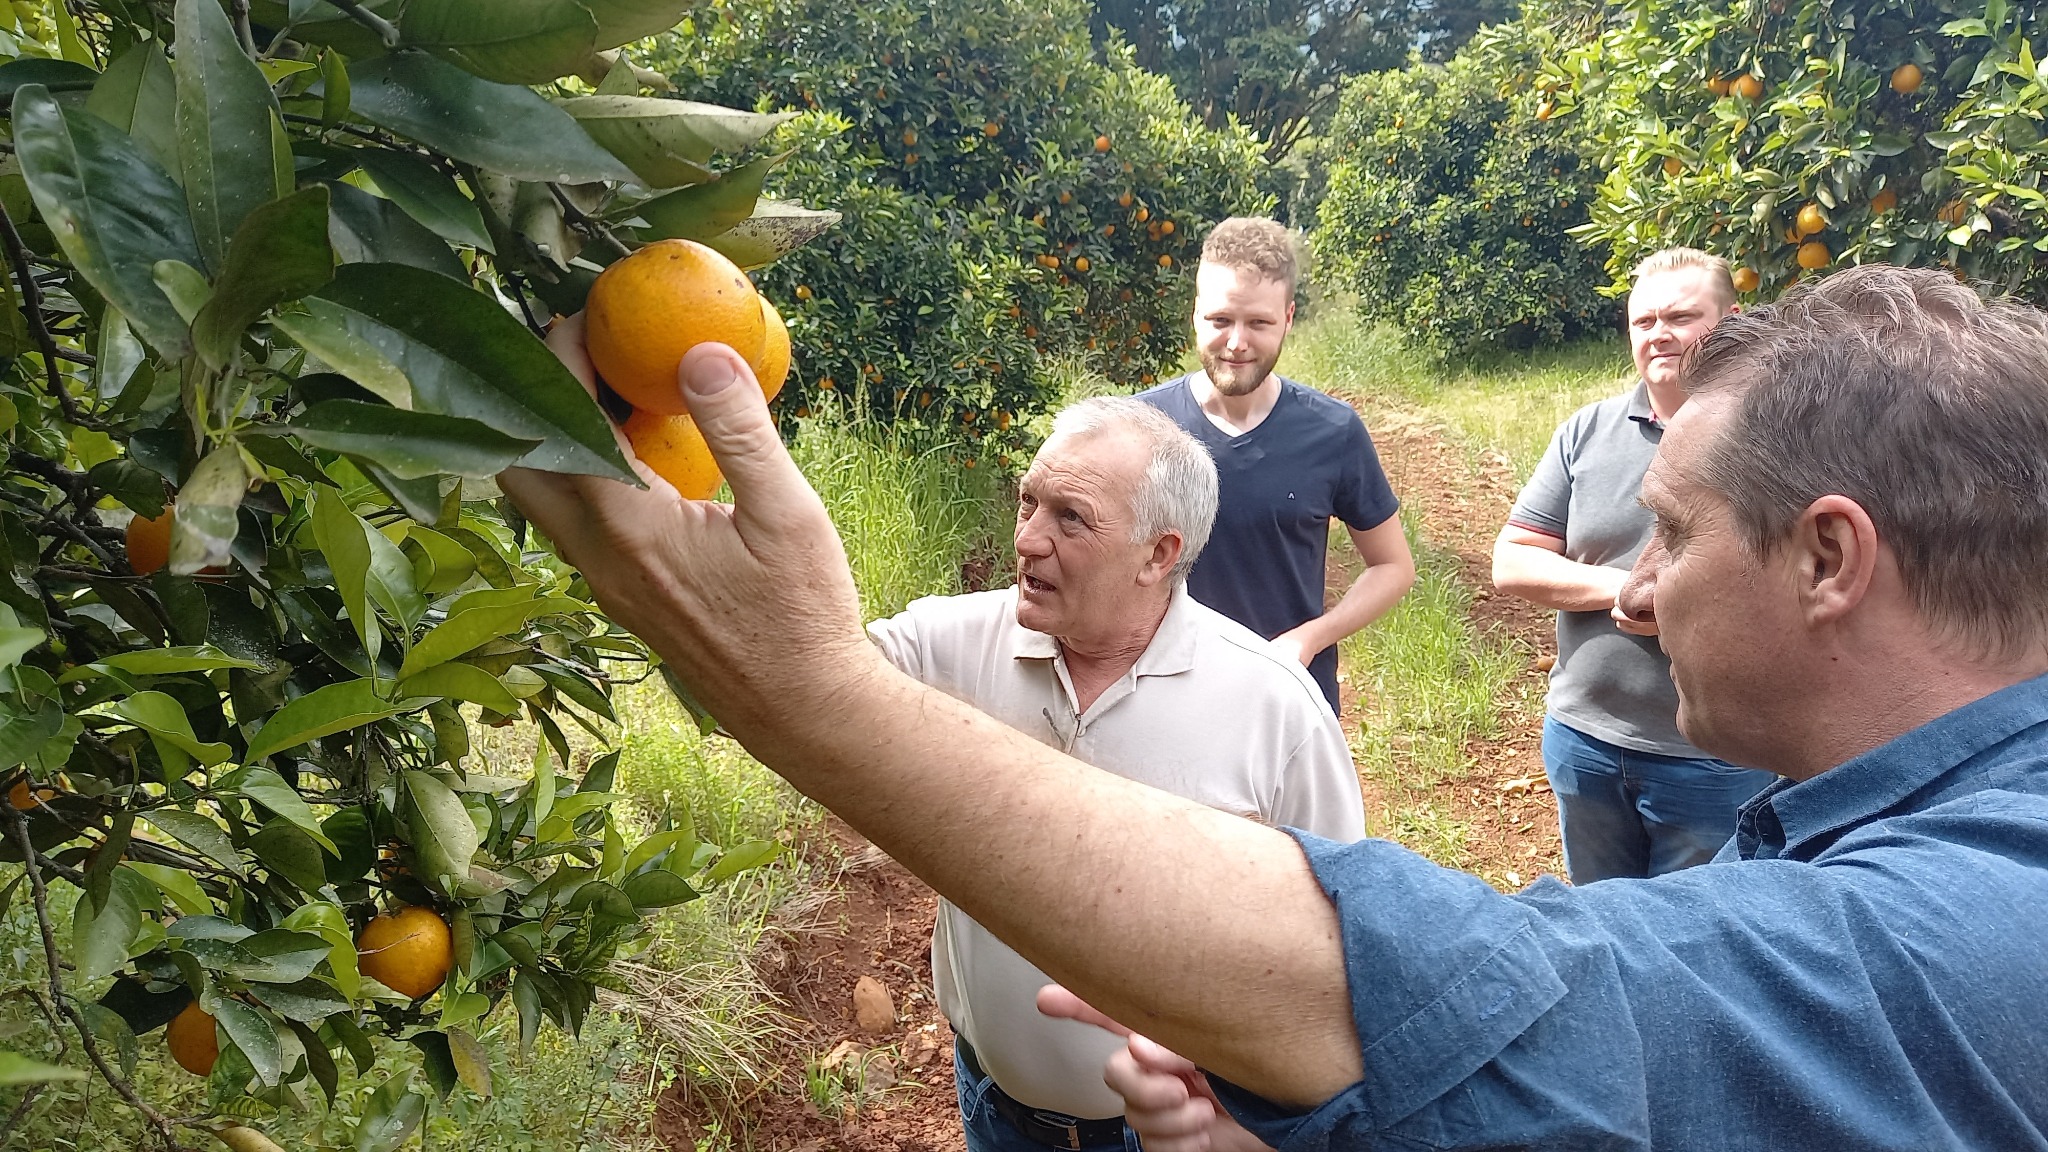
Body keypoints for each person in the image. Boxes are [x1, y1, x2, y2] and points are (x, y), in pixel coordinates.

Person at [504, 265, 2048, 1150]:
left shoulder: (1972, 929)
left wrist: (805, 690)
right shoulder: (1869, 836)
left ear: (1831, 559)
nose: (1632, 594)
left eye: (1678, 536)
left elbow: (1511, 998)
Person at [868, 396, 1365, 1152]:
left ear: (1159, 554)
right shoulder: (947, 647)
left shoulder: (1274, 706)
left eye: (1071, 518)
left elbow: (1343, 946)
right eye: (1029, 501)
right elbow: (798, 677)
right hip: (995, 1110)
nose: (1028, 539)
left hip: (1173, 1134)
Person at [1492, 248, 1776, 883]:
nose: (1660, 334)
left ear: (1733, 320)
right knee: (1601, 929)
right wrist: (1626, 588)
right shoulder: (1587, 432)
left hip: (1717, 758)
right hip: (1585, 740)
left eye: (1681, 316)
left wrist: (1682, 602)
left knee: (1699, 944)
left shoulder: (1776, 441)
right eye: (1644, 321)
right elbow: (1511, 562)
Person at [1140, 217, 1414, 714]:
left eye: (1259, 323)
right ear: (1196, 314)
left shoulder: (1332, 432)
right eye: (1221, 320)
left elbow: (1392, 566)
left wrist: (1309, 639)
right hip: (1162, 696)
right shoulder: (1142, 427)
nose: (1237, 342)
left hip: (1288, 698)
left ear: (1288, 318)